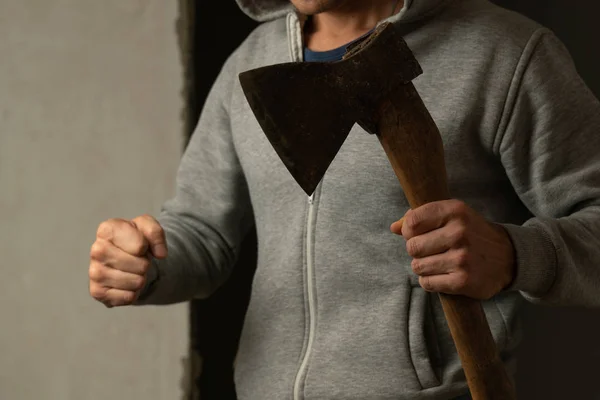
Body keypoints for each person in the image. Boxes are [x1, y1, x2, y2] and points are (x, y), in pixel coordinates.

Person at [88, 0, 600, 399]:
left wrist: (514, 255)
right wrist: (145, 262)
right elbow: (202, 232)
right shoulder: (249, 62)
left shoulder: (502, 52)